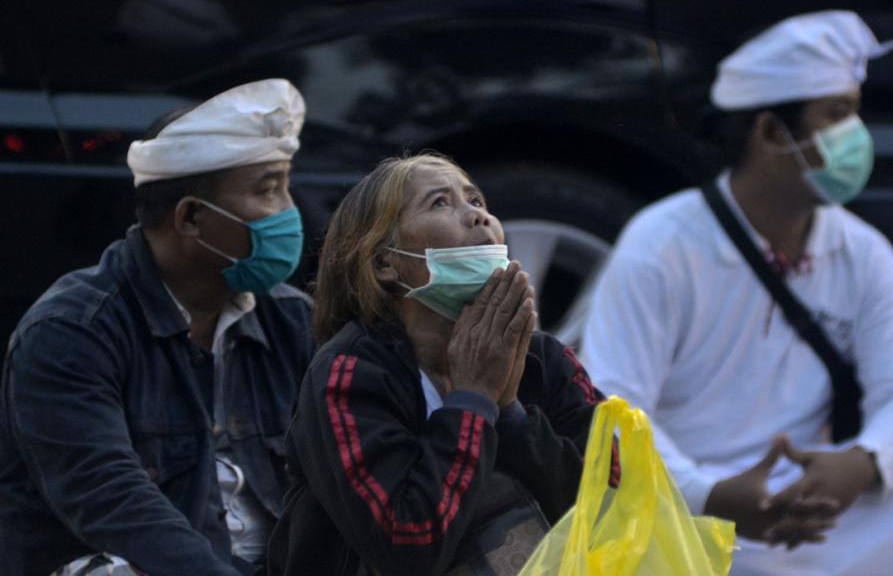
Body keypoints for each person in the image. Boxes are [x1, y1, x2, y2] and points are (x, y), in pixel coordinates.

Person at [581, 11, 893, 575]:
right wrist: (710, 495)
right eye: (837, 115)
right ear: (772, 133)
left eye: (854, 111)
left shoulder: (862, 251)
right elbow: (612, 412)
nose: (856, 135)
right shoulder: (660, 246)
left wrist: (862, 462)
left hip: (808, 506)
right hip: (690, 509)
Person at [0, 79, 318, 576]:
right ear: (190, 217)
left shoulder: (292, 319)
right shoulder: (70, 331)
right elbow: (111, 499)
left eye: (285, 186)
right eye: (268, 190)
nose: (289, 211)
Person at [266, 152, 611, 576]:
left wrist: (512, 415)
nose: (477, 218)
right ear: (383, 263)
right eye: (440, 203)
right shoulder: (348, 374)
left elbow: (616, 509)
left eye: (477, 201)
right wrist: (473, 400)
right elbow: (408, 544)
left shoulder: (545, 359)